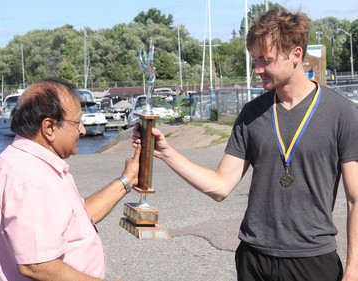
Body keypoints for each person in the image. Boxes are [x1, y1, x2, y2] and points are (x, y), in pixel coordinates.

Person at [132, 8, 358, 281]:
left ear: (296, 55)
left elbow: (355, 199)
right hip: (253, 258)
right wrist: (166, 152)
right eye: (255, 60)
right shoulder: (252, 113)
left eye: (266, 60)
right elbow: (220, 186)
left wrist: (353, 269)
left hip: (312, 260)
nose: (258, 69)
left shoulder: (341, 113)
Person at [0, 78, 141, 281]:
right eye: (77, 123)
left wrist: (127, 180)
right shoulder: (30, 178)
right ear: (49, 127)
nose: (83, 130)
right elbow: (37, 265)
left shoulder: (29, 163)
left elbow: (76, 220)